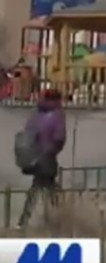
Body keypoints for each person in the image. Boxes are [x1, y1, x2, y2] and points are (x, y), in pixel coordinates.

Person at [16, 89, 67, 229]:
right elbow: (59, 137)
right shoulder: (57, 114)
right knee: (46, 188)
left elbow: (27, 132)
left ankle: (25, 220)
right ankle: (59, 219)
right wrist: (53, 149)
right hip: (47, 156)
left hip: (33, 156)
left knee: (40, 186)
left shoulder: (36, 113)